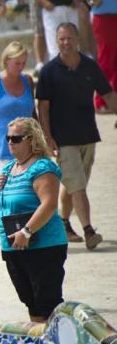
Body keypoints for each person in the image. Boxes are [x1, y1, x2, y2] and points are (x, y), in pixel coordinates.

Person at [36, 23, 117, 249]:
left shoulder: (90, 66)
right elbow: (43, 107)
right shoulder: (49, 71)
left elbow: (108, 93)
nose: (65, 43)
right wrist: (47, 136)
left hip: (88, 136)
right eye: (61, 39)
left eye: (69, 38)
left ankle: (63, 224)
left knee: (73, 185)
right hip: (63, 139)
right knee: (78, 186)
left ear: (77, 39)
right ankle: (89, 231)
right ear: (56, 40)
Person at [0, 118, 68, 322]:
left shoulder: (42, 168)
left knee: (48, 303)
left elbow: (49, 204)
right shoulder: (8, 170)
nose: (10, 143)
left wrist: (26, 232)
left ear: (31, 140)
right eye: (8, 138)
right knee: (30, 302)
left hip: (43, 246)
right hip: (13, 247)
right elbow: (2, 207)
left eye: (16, 138)